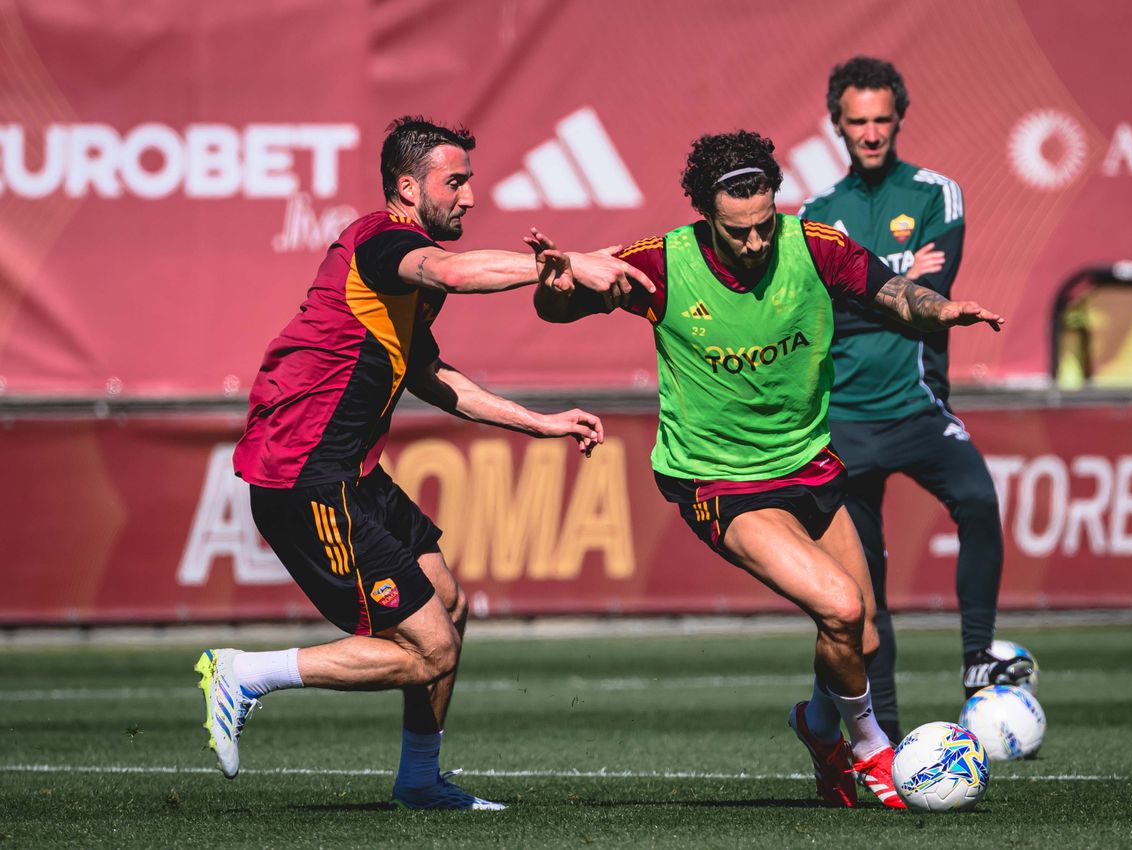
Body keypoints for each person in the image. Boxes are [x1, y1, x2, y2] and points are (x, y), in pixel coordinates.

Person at [534, 130, 1004, 808]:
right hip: (717, 481)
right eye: (737, 232)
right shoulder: (662, 264)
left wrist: (941, 310)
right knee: (839, 606)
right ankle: (871, 749)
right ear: (704, 215)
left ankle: (817, 727)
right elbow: (563, 305)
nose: (755, 243)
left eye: (762, 225)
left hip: (808, 466)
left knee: (860, 635)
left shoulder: (811, 246)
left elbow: (892, 291)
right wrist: (554, 289)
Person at [196, 116, 654, 811]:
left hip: (350, 472)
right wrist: (556, 263)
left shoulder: (410, 279)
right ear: (407, 188)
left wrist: (541, 422)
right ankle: (245, 673)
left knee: (449, 604)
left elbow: (434, 378)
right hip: (306, 475)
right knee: (428, 649)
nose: (470, 196)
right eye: (456, 181)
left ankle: (418, 779)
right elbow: (452, 269)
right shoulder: (384, 241)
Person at [799, 56, 1032, 743]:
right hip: (843, 422)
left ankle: (975, 661)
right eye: (856, 121)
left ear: (897, 119)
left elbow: (931, 304)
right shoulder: (815, 213)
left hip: (919, 407)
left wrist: (867, 292)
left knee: (979, 502)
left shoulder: (937, 193)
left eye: (880, 120)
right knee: (864, 595)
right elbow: (851, 306)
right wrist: (898, 289)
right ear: (837, 125)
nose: (869, 133)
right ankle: (890, 740)